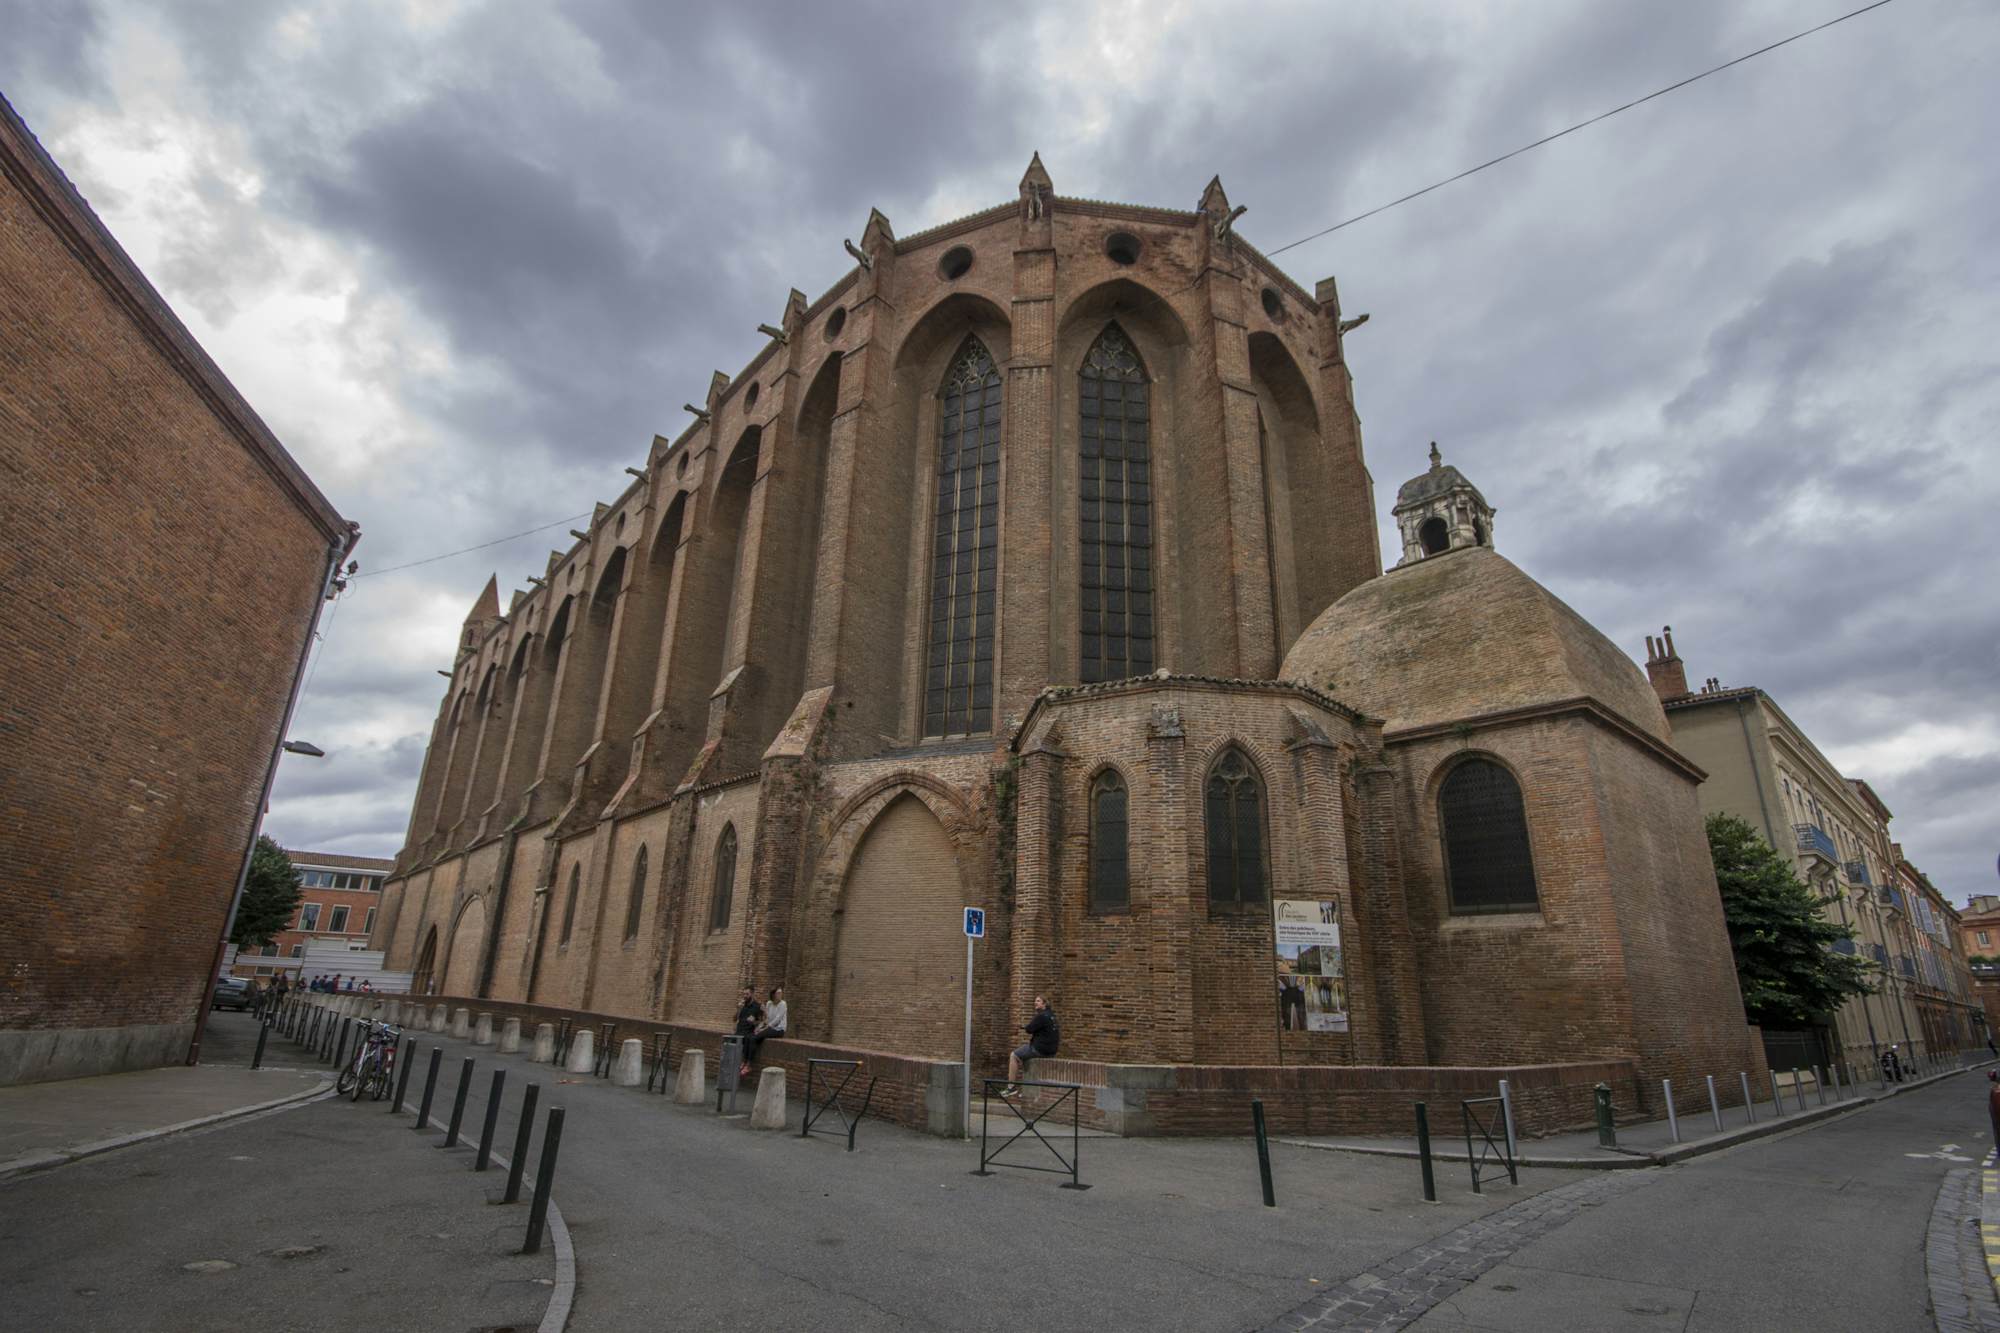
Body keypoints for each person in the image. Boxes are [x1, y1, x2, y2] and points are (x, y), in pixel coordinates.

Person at [1003, 995, 1059, 1094]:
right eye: (1035, 1001)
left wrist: (1025, 1027)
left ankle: (1011, 1087)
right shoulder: (1052, 1015)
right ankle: (1027, 1090)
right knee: (1026, 1057)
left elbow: (1029, 1029)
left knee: (1014, 1055)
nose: (1035, 1003)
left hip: (1039, 1049)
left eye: (1038, 1001)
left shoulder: (1041, 1016)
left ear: (1044, 1004)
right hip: (1051, 1051)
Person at [741, 986, 788, 1078]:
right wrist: (759, 1027)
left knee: (754, 1038)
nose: (780, 995)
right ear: (773, 994)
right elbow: (767, 1019)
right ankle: (744, 1061)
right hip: (768, 1027)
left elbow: (777, 1020)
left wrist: (763, 1029)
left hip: (778, 1029)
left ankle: (749, 1065)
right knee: (749, 1036)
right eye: (778, 993)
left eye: (781, 993)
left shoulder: (783, 1004)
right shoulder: (769, 1003)